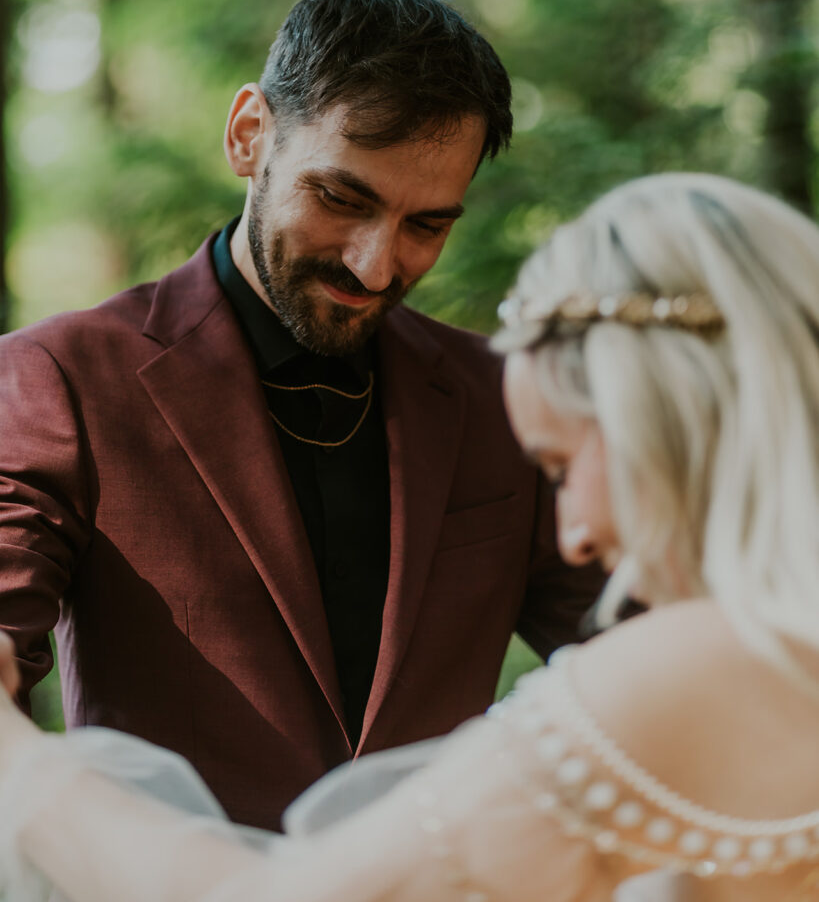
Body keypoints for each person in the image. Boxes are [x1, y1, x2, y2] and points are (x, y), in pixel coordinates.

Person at [0, 170, 817, 902]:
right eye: (342, 198)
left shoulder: (654, 680)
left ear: (666, 422)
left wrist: (20, 766)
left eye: (563, 466)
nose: (569, 533)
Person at [0, 0, 601, 831]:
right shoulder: (57, 377)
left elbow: (639, 652)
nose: (375, 266)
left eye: (426, 225)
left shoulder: (505, 398)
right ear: (250, 136)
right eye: (341, 199)